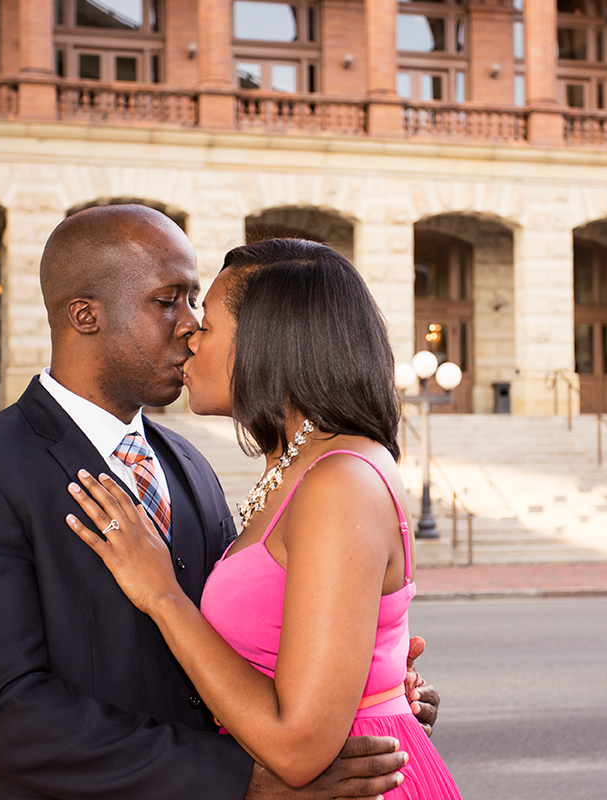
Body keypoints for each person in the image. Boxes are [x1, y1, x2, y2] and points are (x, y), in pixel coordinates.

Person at [0, 206, 438, 800]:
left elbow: (245, 632)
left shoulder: (187, 463)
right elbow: (2, 713)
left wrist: (363, 684)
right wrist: (238, 780)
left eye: (197, 304)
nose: (190, 326)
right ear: (86, 315)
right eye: (170, 300)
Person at [63, 238, 463, 797]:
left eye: (207, 323)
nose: (189, 337)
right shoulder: (298, 471)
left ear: (266, 341)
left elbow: (297, 748)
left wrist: (162, 594)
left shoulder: (338, 479)